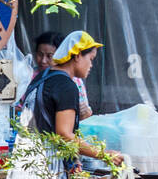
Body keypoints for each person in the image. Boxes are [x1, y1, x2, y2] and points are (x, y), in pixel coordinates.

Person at [35, 30, 122, 167]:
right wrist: (103, 154)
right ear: (77, 55)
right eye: (91, 59)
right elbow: (64, 134)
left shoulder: (42, 77)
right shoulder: (65, 86)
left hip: (30, 161)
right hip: (47, 167)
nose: (91, 65)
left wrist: (74, 160)